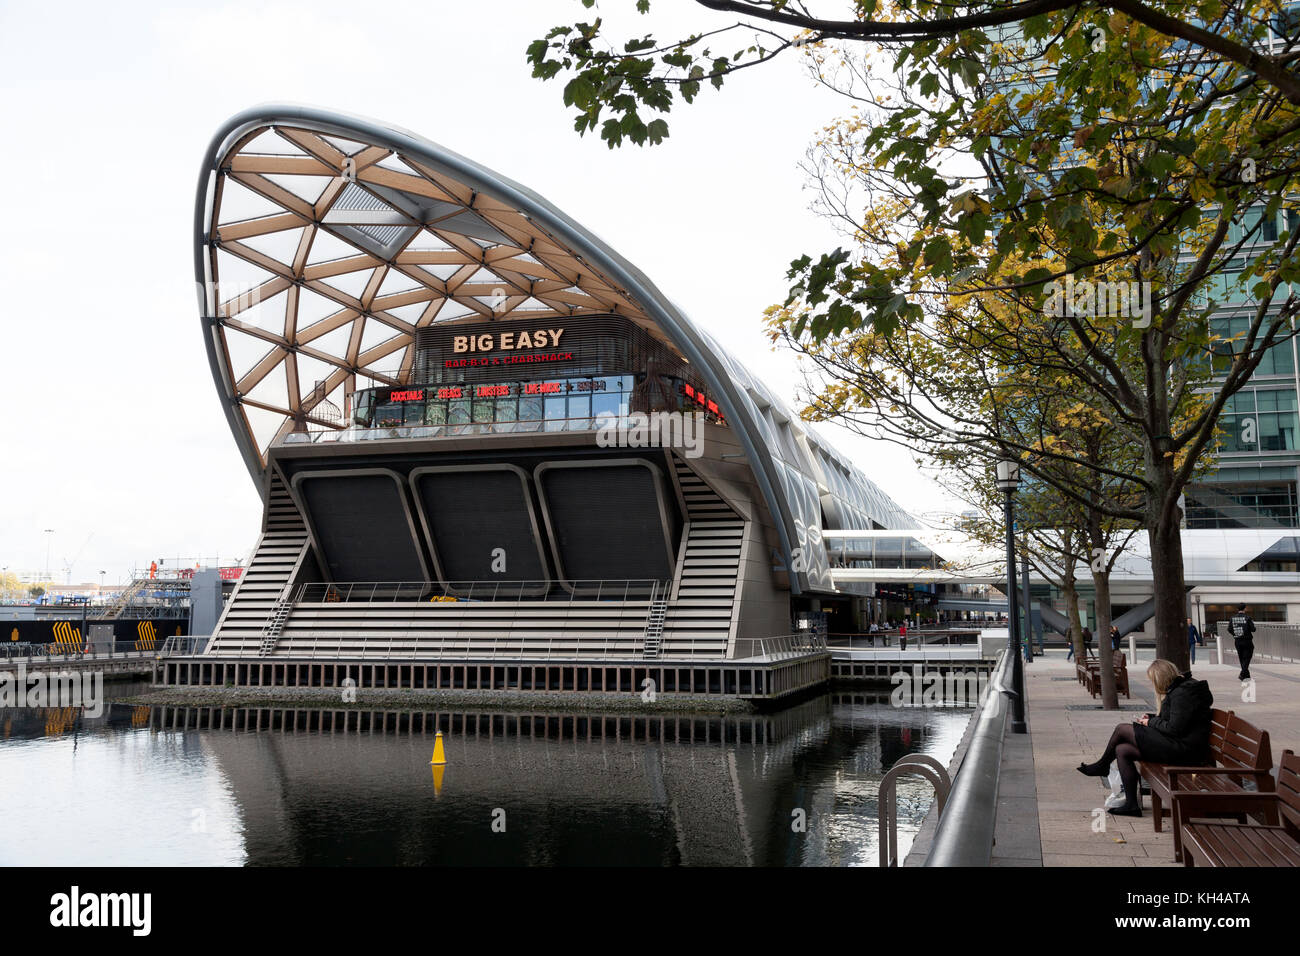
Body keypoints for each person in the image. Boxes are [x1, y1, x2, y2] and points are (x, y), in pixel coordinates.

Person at [1077, 659, 1214, 817]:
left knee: (1122, 729)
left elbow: (1174, 728)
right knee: (1122, 750)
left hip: (1185, 750)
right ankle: (1131, 805)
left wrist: (1150, 722)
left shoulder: (1182, 693)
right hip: (1179, 743)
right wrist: (1150, 718)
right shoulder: (1180, 688)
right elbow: (1174, 719)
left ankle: (1102, 765)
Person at [1228, 602, 1256, 681]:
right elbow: (1253, 629)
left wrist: (1235, 634)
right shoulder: (1247, 618)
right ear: (1245, 609)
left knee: (1241, 658)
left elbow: (1229, 629)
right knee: (1247, 658)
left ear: (1237, 609)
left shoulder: (1232, 618)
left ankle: (1246, 676)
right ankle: (1242, 674)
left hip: (1237, 641)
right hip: (1247, 641)